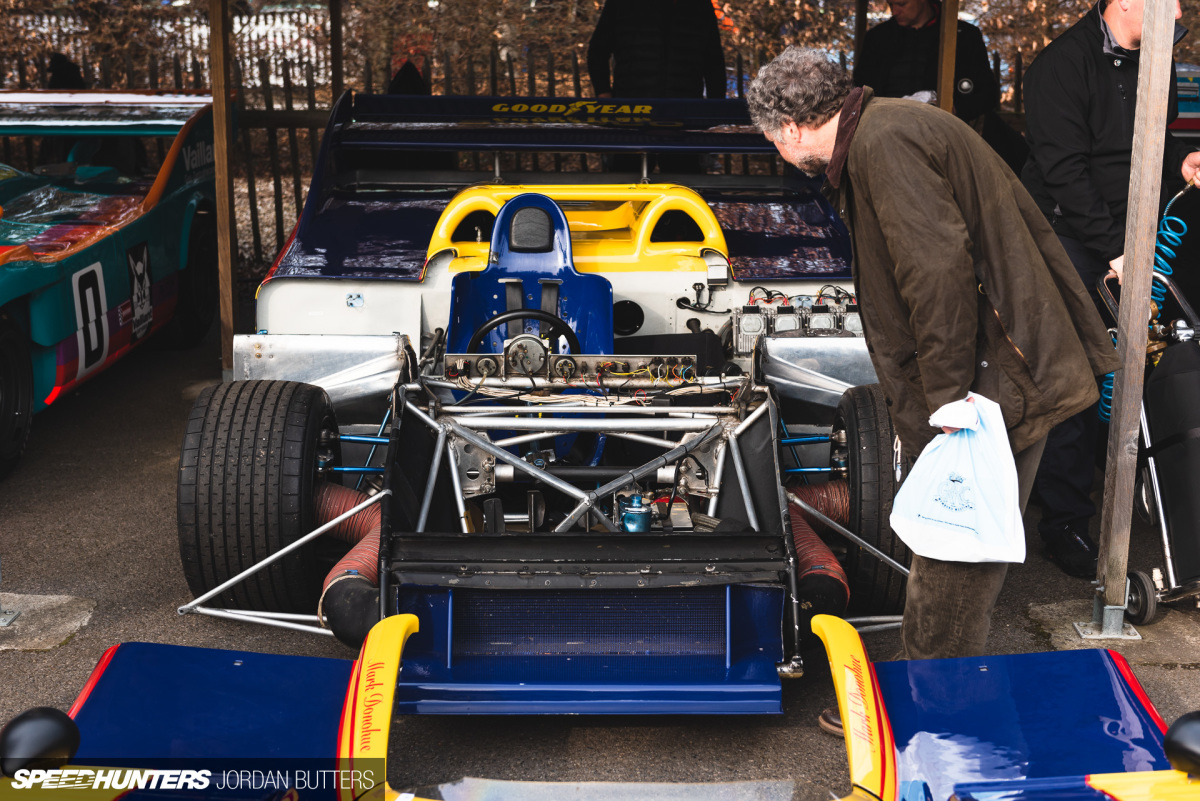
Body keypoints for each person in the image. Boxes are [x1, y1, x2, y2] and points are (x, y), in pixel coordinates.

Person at [745, 48, 1120, 664]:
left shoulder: (883, 145)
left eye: (773, 141)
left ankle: (929, 708)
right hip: (995, 368)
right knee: (957, 550)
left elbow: (937, 275)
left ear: (789, 128)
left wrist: (948, 404)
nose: (781, 155)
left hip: (988, 380)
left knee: (954, 551)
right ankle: (934, 693)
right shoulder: (888, 129)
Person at [1022, 0, 1200, 577]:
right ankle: (1065, 523)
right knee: (1077, 377)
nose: (1178, 11)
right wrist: (1117, 251)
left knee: (1142, 363)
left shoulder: (1157, 58)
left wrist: (1183, 163)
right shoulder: (1060, 66)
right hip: (1068, 232)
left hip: (1127, 227)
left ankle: (1153, 492)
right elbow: (1065, 173)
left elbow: (1145, 146)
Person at [853, 0, 1027, 174]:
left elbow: (986, 93)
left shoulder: (963, 36)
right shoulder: (878, 39)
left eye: (901, 4)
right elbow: (862, 91)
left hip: (947, 135)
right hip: (888, 134)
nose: (894, 11)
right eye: (891, 5)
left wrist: (956, 110)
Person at [586, 0, 726, 100]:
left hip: (685, 109)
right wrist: (604, 94)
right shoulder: (623, 4)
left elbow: (713, 60)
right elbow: (598, 51)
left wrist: (715, 104)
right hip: (633, 107)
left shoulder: (700, 5)